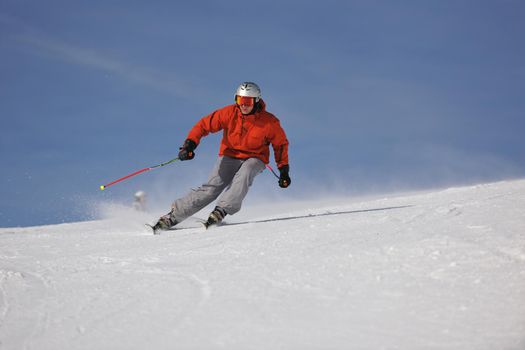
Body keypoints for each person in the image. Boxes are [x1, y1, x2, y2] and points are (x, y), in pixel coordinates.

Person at [152, 82, 291, 232]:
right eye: (240, 100)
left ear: (256, 101)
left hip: (255, 158)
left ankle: (221, 210)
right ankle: (172, 217)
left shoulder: (269, 122)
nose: (243, 105)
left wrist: (283, 170)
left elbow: (280, 145)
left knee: (246, 171)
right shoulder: (229, 113)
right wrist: (189, 145)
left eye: (248, 101)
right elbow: (203, 125)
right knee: (212, 188)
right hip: (230, 155)